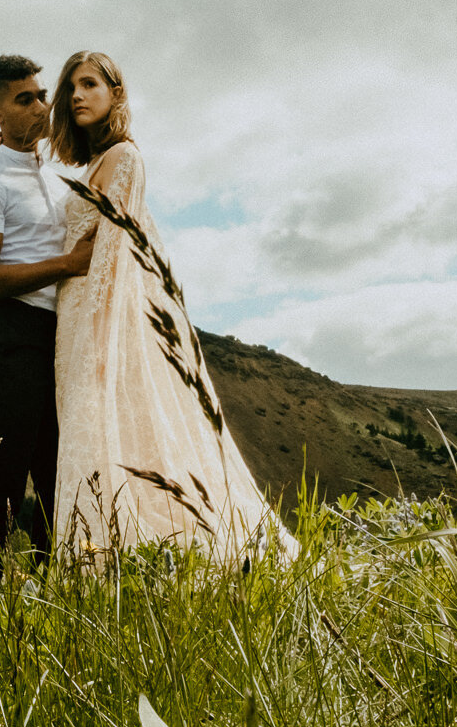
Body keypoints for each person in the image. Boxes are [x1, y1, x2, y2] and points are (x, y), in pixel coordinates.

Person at [47, 50, 296, 558]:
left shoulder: (124, 158)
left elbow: (115, 259)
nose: (76, 95)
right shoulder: (95, 161)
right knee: (90, 440)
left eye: (90, 84)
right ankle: (107, 558)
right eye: (71, 86)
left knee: (101, 435)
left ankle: (118, 558)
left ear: (116, 93)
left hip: (96, 326)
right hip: (71, 321)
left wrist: (96, 348)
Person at [0, 54, 95, 589]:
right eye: (24, 99)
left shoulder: (59, 171)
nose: (41, 105)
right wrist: (67, 265)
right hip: (13, 337)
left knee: (63, 473)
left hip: (62, 340)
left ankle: (56, 587)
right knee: (7, 474)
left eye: (41, 95)